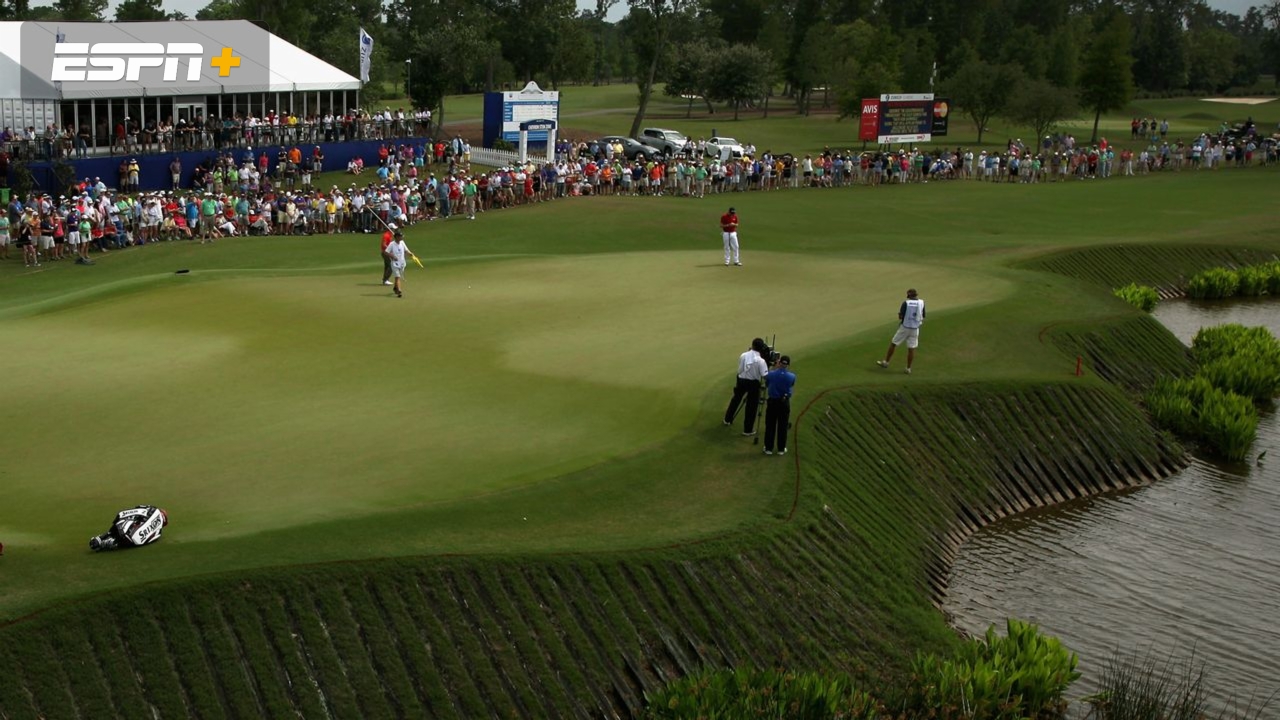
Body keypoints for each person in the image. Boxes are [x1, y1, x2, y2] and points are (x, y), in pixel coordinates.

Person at [723, 338, 769, 435]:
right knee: (751, 407)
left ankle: (727, 419)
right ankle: (747, 430)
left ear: (752, 345)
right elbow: (765, 376)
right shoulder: (761, 361)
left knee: (736, 399)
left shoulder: (743, 355)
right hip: (753, 384)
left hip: (740, 380)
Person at [877, 288, 926, 374]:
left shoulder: (906, 303)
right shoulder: (922, 303)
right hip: (915, 329)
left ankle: (886, 362)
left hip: (905, 327)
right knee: (911, 349)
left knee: (894, 343)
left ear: (909, 295)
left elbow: (900, 316)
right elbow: (923, 315)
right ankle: (908, 368)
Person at [88, 505, 169, 552]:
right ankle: (106, 541)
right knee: (123, 533)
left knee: (120, 524)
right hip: (136, 541)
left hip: (131, 533)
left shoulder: (153, 509)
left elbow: (137, 509)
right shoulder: (158, 533)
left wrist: (122, 516)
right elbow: (150, 539)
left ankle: (103, 539)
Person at [763, 355, 795, 455]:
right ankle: (781, 449)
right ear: (788, 365)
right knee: (783, 425)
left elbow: (767, 383)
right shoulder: (792, 376)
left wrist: (775, 368)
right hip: (784, 403)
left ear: (779, 362)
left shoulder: (771, 374)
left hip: (772, 402)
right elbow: (791, 385)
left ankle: (768, 448)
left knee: (770, 425)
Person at [383, 230, 417, 298]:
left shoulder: (402, 242)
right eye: (400, 236)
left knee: (399, 277)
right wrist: (392, 256)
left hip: (402, 263)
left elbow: (406, 250)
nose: (402, 237)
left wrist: (410, 253)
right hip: (395, 263)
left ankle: (395, 288)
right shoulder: (392, 244)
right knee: (397, 277)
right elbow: (386, 252)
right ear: (397, 237)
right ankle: (399, 291)